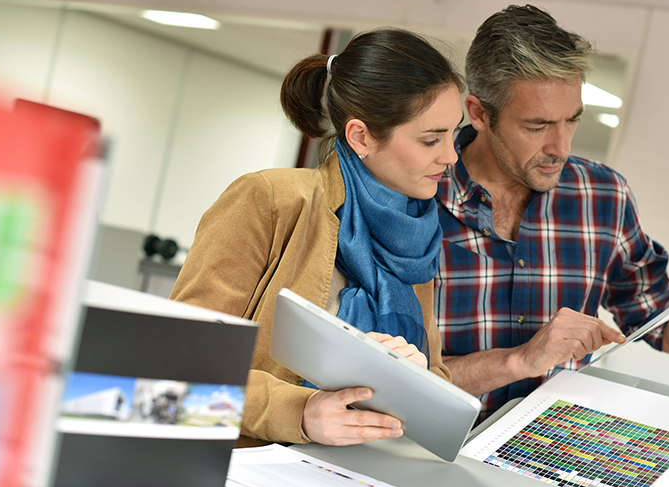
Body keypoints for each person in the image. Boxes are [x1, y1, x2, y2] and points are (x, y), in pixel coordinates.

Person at [434, 5, 669, 420]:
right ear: (480, 112)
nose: (561, 147)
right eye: (537, 127)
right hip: (427, 453)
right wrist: (518, 360)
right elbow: (389, 371)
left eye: (571, 120)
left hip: (551, 450)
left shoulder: (602, 195)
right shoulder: (418, 195)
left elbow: (668, 327)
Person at [170, 28, 464, 446]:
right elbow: (179, 361)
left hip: (365, 482)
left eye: (454, 133)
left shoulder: (417, 234)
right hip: (250, 475)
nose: (451, 155)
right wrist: (301, 413)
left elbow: (435, 378)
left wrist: (412, 380)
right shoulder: (271, 199)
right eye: (431, 139)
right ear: (360, 136)